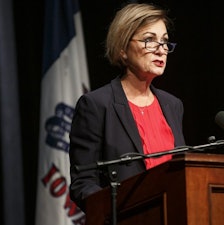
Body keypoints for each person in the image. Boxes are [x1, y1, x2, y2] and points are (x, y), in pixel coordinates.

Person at [69, 3, 185, 211]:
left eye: (165, 42)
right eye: (149, 40)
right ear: (123, 49)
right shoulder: (96, 105)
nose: (161, 50)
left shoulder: (172, 105)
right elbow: (83, 183)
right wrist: (119, 209)